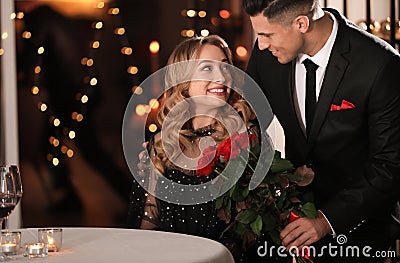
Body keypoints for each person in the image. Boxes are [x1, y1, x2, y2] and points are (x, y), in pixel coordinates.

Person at [242, 0, 400, 262]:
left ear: (302, 23)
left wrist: (327, 221)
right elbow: (247, 121)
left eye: (266, 35)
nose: (260, 45)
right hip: (289, 224)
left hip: (360, 228)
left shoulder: (380, 65)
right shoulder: (266, 55)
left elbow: (390, 166)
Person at [126, 35, 261, 261]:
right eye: (207, 68)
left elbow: (252, 231)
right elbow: (148, 224)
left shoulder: (247, 137)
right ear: (184, 81)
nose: (222, 76)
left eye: (225, 67)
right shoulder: (161, 144)